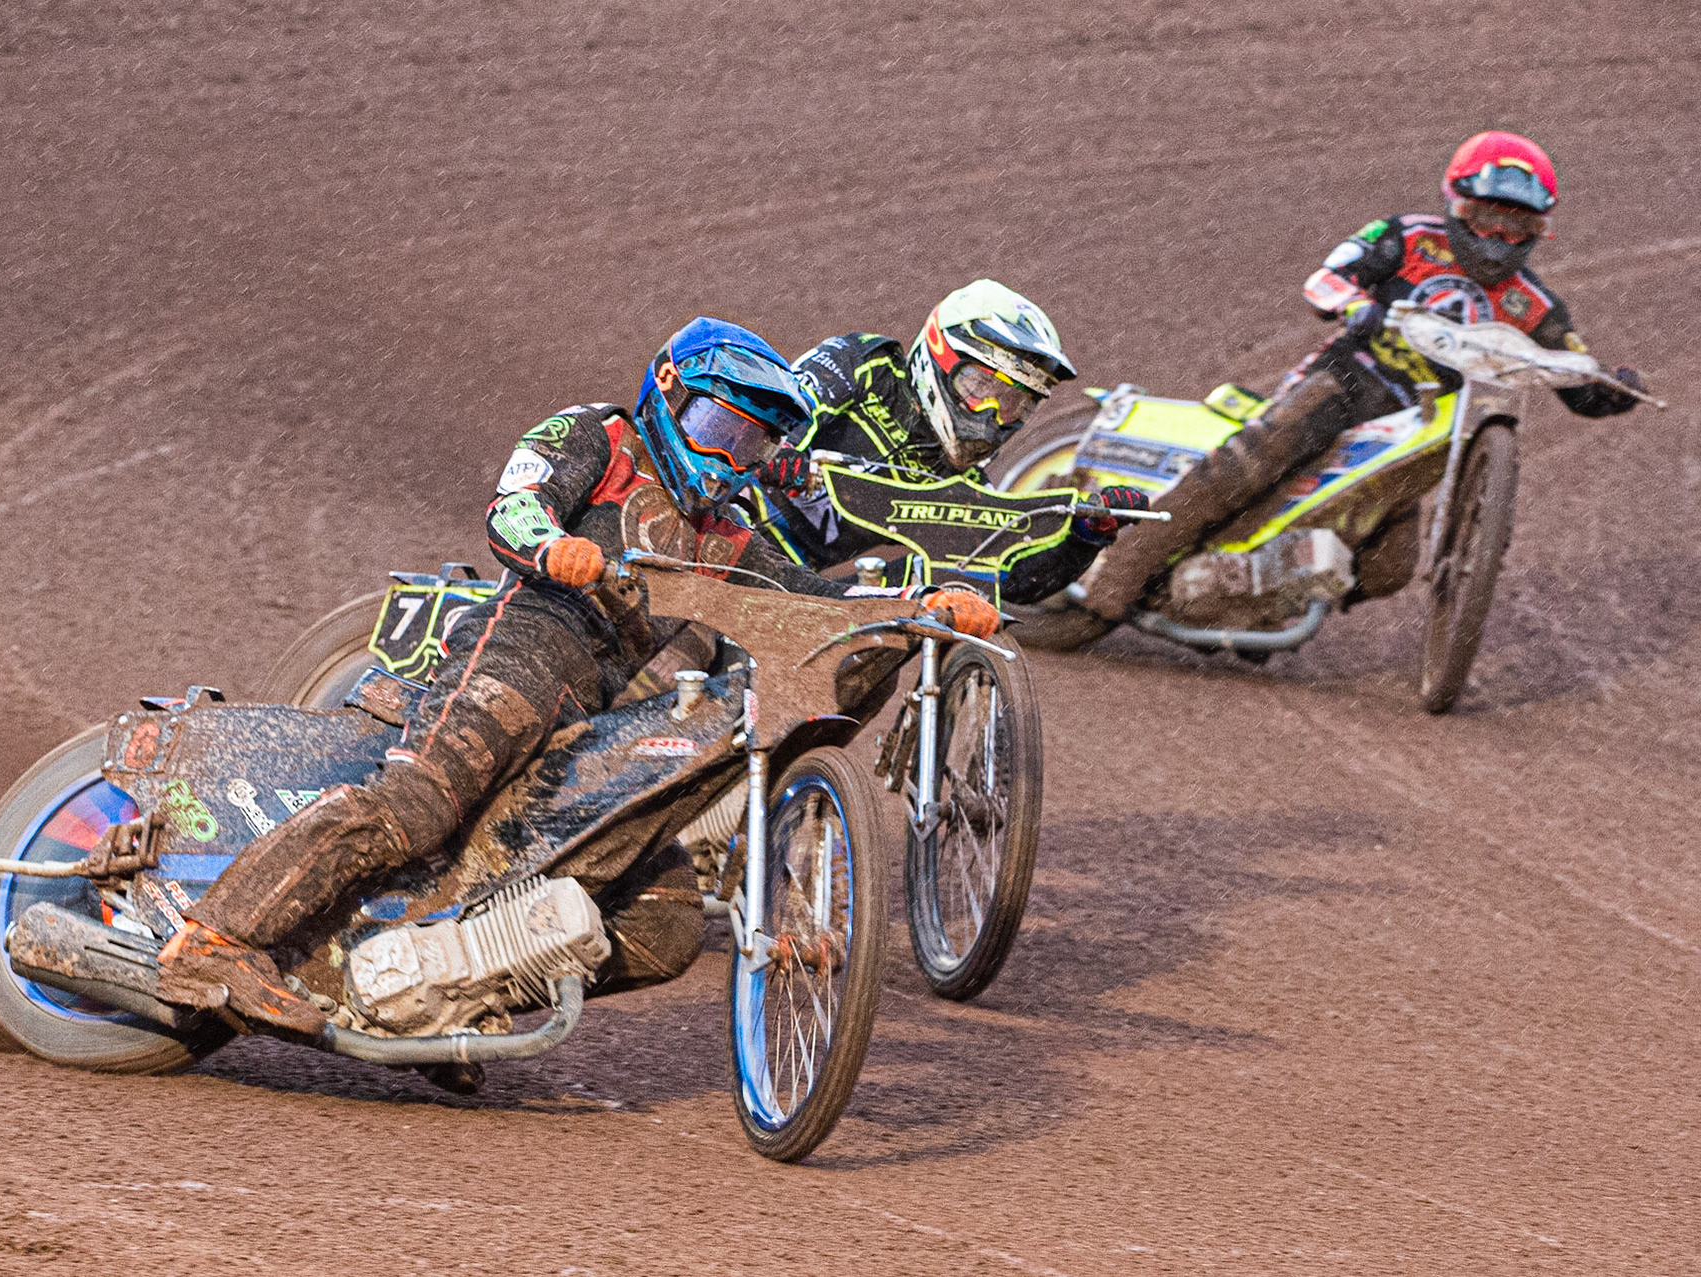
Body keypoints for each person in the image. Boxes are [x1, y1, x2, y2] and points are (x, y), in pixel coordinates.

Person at [146, 317, 1001, 1037]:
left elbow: (812, 604)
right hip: (525, 647)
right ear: (668, 392)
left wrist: (923, 607)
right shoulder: (597, 436)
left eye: (752, 443)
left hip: (605, 709)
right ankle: (215, 937)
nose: (733, 457)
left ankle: (451, 995)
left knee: (662, 919)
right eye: (720, 428)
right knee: (420, 803)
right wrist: (555, 546)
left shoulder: (728, 531)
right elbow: (514, 504)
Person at [1079, 131, 1648, 620]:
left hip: (1421, 429)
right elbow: (1326, 279)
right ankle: (1115, 579)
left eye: (1517, 228)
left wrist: (1617, 387)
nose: (1498, 240)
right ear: (1458, 206)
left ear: (1539, 230)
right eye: (1486, 220)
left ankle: (1258, 598)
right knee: (1250, 462)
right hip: (1351, 380)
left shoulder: (1534, 305)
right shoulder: (1406, 237)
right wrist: (1357, 305)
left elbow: (1576, 376)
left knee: (1389, 570)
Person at [752, 280, 1151, 604]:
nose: (993, 414)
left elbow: (1011, 579)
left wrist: (1086, 535)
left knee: (941, 591)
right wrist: (778, 450)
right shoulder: (863, 365)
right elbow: (770, 409)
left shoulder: (963, 484)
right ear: (940, 358)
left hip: (795, 583)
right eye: (982, 386)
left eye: (1014, 403)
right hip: (717, 523)